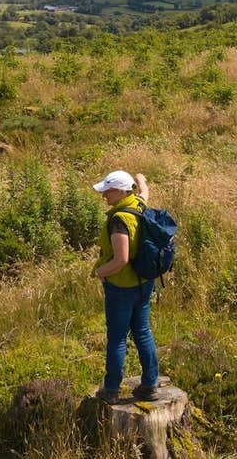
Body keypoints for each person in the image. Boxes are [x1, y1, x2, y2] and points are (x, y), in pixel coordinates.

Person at [91, 169, 159, 403]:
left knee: (118, 338)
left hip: (122, 286)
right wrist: (141, 179)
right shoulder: (138, 204)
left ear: (120, 192)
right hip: (144, 282)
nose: (104, 196)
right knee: (142, 331)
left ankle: (111, 390)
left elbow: (121, 259)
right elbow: (145, 193)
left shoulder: (120, 220)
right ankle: (150, 384)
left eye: (107, 191)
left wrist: (99, 272)